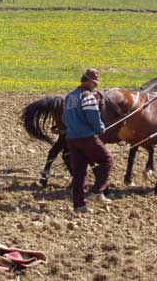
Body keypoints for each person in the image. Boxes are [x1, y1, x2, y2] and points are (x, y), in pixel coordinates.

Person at [62, 68, 114, 214]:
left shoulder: (70, 96)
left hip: (71, 138)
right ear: (89, 81)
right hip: (87, 137)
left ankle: (79, 206)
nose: (96, 86)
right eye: (95, 83)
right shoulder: (88, 96)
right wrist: (101, 129)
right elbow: (93, 118)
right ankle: (97, 191)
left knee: (79, 173)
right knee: (107, 161)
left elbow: (64, 119)